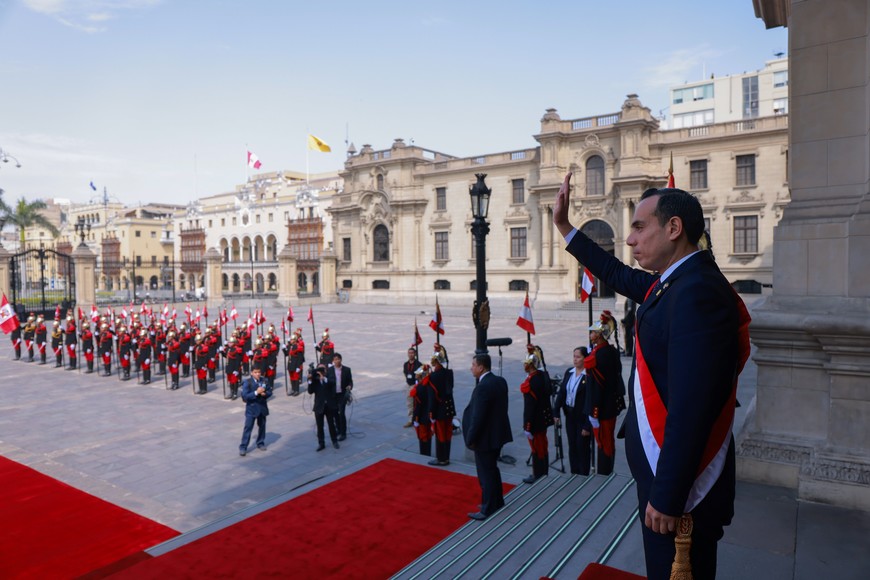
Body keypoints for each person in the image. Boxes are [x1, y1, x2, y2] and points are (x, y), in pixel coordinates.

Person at [554, 173, 750, 580]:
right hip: (665, 478)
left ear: (673, 228)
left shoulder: (696, 292)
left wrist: (667, 495)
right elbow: (617, 273)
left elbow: (692, 407)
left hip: (680, 495)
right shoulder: (677, 281)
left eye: (640, 227)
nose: (629, 240)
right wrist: (566, 227)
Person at [462, 353, 512, 521]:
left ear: (481, 367)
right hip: (497, 435)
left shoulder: (482, 387)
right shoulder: (500, 381)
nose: (471, 368)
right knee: (492, 469)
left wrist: (470, 438)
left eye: (473, 365)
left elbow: (478, 417)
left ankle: (487, 507)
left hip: (485, 438)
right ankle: (497, 501)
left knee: (486, 474)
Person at [584, 311, 624, 476]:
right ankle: (606, 471)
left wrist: (594, 412)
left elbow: (597, 387)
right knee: (606, 441)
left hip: (602, 409)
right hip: (609, 406)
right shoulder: (608, 351)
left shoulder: (600, 355)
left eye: (593, 332)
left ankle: (604, 474)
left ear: (600, 335)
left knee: (604, 443)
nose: (590, 334)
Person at [553, 347, 593, 475]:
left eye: (578, 357)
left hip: (582, 417)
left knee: (582, 446)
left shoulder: (588, 375)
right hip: (570, 416)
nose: (575, 359)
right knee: (572, 445)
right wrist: (556, 411)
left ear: (585, 358)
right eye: (574, 356)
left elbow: (590, 400)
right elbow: (562, 393)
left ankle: (583, 474)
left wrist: (587, 425)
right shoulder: (569, 372)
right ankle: (574, 473)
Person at [521, 346, 553, 483]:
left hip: (534, 422)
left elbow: (530, 407)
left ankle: (538, 474)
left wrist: (527, 426)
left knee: (536, 448)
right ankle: (544, 472)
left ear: (531, 365)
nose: (524, 366)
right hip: (542, 420)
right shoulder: (542, 376)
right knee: (543, 446)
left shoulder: (531, 382)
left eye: (526, 364)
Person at [427, 345, 456, 466]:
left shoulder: (433, 377)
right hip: (449, 409)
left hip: (439, 411)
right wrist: (443, 350)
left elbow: (432, 398)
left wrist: (431, 413)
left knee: (440, 435)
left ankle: (441, 459)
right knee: (448, 434)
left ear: (436, 361)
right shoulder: (449, 373)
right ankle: (446, 457)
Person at [238, 366, 272, 456]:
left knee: (262, 426)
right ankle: (243, 446)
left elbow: (270, 392)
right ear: (252, 373)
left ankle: (260, 442)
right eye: (255, 372)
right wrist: (256, 393)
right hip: (251, 409)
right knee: (248, 428)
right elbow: (245, 396)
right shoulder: (248, 382)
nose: (257, 374)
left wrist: (265, 394)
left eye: (259, 372)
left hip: (262, 407)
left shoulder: (264, 380)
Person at [307, 362, 339, 451]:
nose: (321, 371)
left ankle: (334, 441)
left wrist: (323, 378)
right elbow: (310, 391)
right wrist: (310, 380)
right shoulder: (315, 379)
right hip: (319, 406)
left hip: (329, 405)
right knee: (319, 426)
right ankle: (321, 443)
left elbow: (332, 383)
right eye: (319, 369)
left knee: (331, 424)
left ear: (325, 370)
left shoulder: (329, 377)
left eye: (322, 369)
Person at [327, 352, 353, 441]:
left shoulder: (346, 370)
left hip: (342, 395)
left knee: (341, 413)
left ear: (341, 359)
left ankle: (343, 433)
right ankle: (338, 429)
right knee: (335, 414)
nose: (337, 361)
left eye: (338, 359)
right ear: (333, 361)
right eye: (335, 360)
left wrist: (349, 386)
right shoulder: (329, 370)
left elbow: (350, 381)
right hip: (333, 395)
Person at [410, 364, 432, 456]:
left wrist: (415, 419)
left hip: (421, 417)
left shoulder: (418, 388)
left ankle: (424, 455)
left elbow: (417, 406)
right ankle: (428, 453)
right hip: (429, 415)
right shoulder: (429, 385)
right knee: (429, 435)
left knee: (423, 437)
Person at [402, 347, 422, 427]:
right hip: (408, 385)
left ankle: (418, 419)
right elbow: (405, 373)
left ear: (415, 354)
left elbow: (420, 376)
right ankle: (411, 420)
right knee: (409, 403)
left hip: (415, 385)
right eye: (409, 353)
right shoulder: (405, 364)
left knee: (417, 403)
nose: (411, 355)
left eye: (412, 353)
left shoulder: (419, 364)